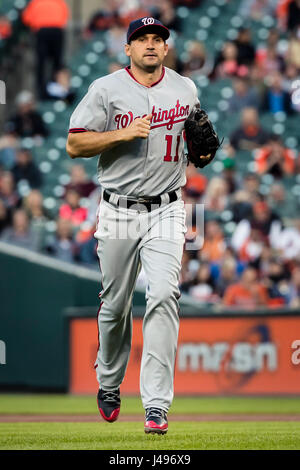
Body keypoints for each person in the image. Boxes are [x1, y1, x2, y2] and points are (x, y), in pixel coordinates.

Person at [66, 17, 207, 435]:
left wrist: (201, 155)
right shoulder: (106, 89)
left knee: (164, 294)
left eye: (157, 40)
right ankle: (109, 382)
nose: (150, 45)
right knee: (115, 306)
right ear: (127, 49)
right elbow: (74, 143)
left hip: (167, 207)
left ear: (165, 49)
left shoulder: (186, 89)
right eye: (141, 39)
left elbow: (198, 145)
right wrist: (118, 135)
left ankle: (157, 405)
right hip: (119, 209)